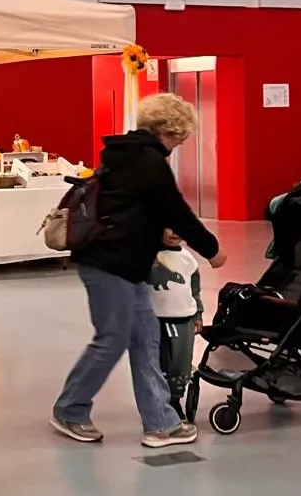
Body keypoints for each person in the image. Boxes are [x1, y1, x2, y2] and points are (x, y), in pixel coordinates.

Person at [51, 93, 225, 448]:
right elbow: (176, 211)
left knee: (145, 338)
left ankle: (161, 422)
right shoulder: (148, 160)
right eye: (179, 139)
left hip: (125, 264)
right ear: (169, 131)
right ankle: (70, 409)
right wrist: (212, 250)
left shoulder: (123, 153)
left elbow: (138, 207)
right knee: (113, 338)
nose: (177, 146)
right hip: (110, 263)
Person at [150, 229, 202, 420]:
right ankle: (160, 402)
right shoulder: (148, 255)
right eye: (168, 226)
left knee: (181, 364)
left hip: (184, 320)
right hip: (156, 319)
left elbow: (195, 289)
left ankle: (175, 398)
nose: (175, 232)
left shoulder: (189, 260)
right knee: (159, 363)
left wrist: (198, 314)